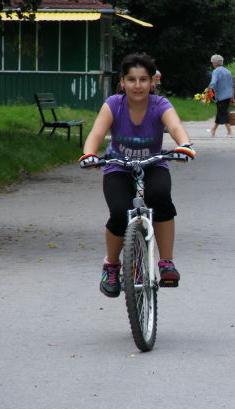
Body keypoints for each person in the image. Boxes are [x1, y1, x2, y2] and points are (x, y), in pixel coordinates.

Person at [79, 53, 196, 298]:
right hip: (118, 166)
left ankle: (166, 263)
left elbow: (175, 127)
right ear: (122, 82)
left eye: (143, 79)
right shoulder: (113, 104)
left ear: (152, 82)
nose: (138, 85)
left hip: (153, 164)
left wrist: (184, 145)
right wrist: (89, 154)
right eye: (131, 79)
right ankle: (111, 266)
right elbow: (96, 133)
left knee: (161, 197)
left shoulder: (160, 104)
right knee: (120, 213)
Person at [206, 54, 234, 137]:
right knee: (220, 112)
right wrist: (232, 97)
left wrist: (209, 89)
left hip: (221, 96)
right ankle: (213, 130)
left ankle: (230, 132)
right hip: (228, 96)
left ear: (214, 63)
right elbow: (231, 85)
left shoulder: (216, 71)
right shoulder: (227, 71)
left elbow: (214, 82)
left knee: (223, 113)